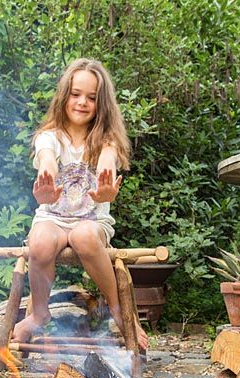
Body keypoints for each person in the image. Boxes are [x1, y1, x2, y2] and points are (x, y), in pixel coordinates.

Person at [12, 58, 149, 350]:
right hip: (52, 216)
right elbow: (46, 155)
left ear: (102, 104)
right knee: (39, 242)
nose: (82, 102)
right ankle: (38, 312)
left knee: (83, 236)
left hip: (91, 222)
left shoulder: (106, 141)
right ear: (64, 96)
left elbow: (108, 162)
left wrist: (106, 187)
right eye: (75, 94)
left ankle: (118, 311)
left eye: (91, 97)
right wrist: (46, 177)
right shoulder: (49, 137)